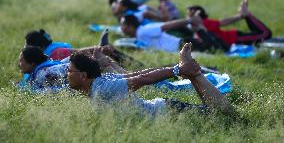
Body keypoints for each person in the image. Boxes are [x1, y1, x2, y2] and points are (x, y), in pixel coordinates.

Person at [67, 43, 233, 115]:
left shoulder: (103, 88)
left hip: (168, 112)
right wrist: (178, 69)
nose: (66, 74)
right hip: (163, 109)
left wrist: (178, 70)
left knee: (223, 115)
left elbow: (141, 78)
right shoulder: (99, 82)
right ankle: (191, 72)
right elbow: (134, 74)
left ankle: (194, 73)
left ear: (83, 75)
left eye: (69, 70)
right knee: (215, 113)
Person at [120, 12, 228, 53]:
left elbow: (168, 25)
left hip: (184, 45)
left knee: (218, 49)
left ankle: (200, 28)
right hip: (181, 48)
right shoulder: (139, 35)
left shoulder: (144, 30)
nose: (121, 28)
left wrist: (190, 20)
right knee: (215, 49)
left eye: (123, 25)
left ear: (130, 26)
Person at [188, 0, 272, 45]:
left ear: (197, 15)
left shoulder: (204, 22)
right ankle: (246, 15)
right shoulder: (196, 25)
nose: (187, 17)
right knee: (260, 33)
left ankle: (247, 15)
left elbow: (223, 22)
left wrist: (239, 16)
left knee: (266, 34)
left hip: (235, 38)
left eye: (190, 14)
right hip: (235, 38)